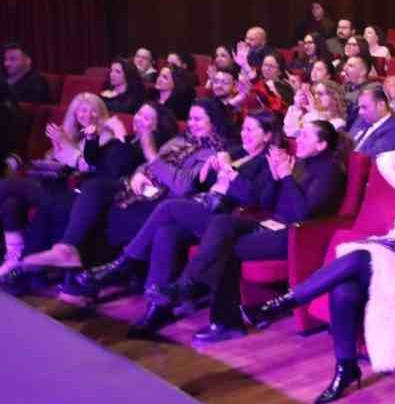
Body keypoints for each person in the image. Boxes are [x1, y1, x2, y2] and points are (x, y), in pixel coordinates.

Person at [242, 141, 395, 403]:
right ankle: (345, 368)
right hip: (386, 256)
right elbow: (384, 161)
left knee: (357, 258)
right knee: (344, 289)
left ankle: (283, 302)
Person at [149, 120, 345, 343]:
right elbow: (269, 204)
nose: (298, 140)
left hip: (296, 236)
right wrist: (275, 177)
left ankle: (224, 321)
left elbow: (302, 215)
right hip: (271, 223)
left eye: (306, 137)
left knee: (227, 249)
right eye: (298, 135)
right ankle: (186, 285)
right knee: (223, 222)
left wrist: (287, 177)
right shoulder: (298, 163)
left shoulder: (330, 171)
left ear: (321, 145)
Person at [61, 112, 283, 308]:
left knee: (168, 207)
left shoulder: (270, 160)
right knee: (166, 233)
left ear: (266, 135)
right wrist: (210, 167)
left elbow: (259, 200)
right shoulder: (235, 152)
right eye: (243, 128)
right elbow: (203, 182)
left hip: (228, 218)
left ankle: (125, 263)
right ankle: (156, 303)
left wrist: (230, 173)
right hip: (205, 205)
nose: (244, 134)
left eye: (251, 130)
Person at [20, 102, 219, 272]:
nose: (192, 124)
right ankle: (53, 256)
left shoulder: (211, 153)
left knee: (81, 202)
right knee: (72, 195)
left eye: (198, 119)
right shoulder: (178, 141)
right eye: (190, 119)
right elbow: (104, 163)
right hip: (122, 186)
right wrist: (139, 172)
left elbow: (179, 183)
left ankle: (60, 272)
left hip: (156, 197)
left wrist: (134, 146)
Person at [1, 94, 139, 280]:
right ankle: (16, 259)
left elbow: (91, 167)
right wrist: (55, 154)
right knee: (11, 203)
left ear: (101, 113)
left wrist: (67, 148)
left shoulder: (105, 135)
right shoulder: (75, 133)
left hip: (74, 192)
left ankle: (23, 265)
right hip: (56, 184)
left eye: (93, 110)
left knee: (6, 186)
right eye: (82, 110)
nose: (87, 115)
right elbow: (63, 163)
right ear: (74, 113)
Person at [346, 83, 395, 157]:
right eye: (359, 107)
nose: (360, 112)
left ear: (381, 105)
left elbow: (371, 157)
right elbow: (346, 142)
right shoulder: (362, 118)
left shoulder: (393, 129)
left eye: (364, 107)